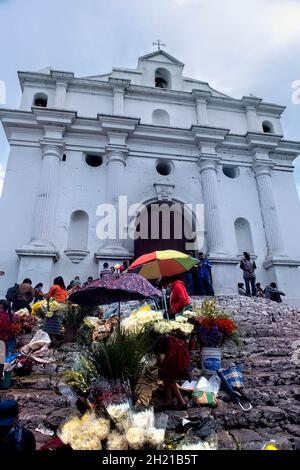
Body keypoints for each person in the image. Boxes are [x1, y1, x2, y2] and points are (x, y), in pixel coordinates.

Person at [155, 333, 191, 410]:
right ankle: (168, 400)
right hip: (179, 349)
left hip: (176, 351)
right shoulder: (158, 340)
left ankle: (181, 402)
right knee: (166, 376)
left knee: (169, 377)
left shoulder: (154, 344)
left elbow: (159, 362)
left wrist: (155, 369)